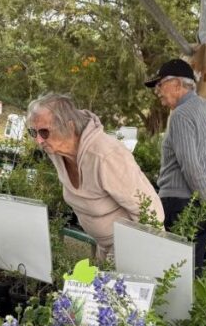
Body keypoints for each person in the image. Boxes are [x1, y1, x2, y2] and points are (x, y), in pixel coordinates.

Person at [26, 93, 163, 261]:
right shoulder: (56, 151)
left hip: (134, 247)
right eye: (33, 132)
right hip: (104, 246)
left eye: (44, 132)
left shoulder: (106, 155)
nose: (38, 140)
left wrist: (120, 257)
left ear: (69, 127)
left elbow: (151, 214)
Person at [145, 58, 206, 270]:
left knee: (171, 272)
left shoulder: (181, 115)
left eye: (160, 85)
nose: (157, 92)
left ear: (176, 85)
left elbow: (190, 167)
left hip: (180, 205)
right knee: (192, 269)